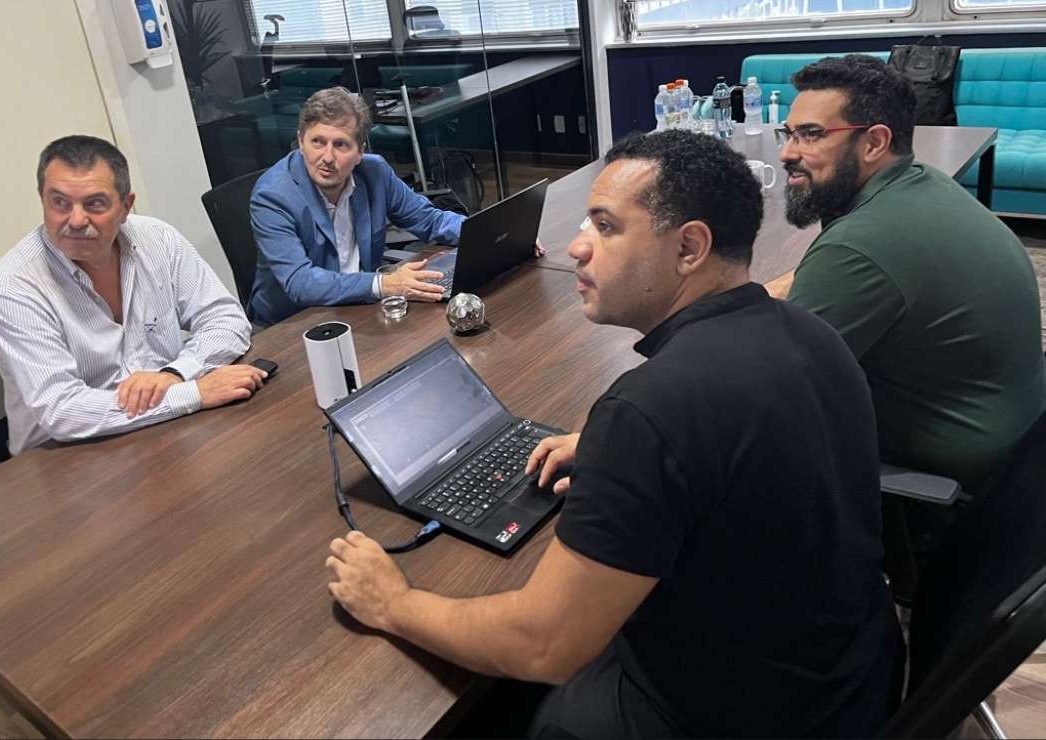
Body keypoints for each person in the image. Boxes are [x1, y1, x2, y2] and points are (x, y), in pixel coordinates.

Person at [326, 130, 903, 738]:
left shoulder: (651, 410)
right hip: (853, 676)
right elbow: (738, 453)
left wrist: (394, 603)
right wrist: (622, 454)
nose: (577, 246)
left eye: (605, 227)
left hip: (745, 716)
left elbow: (543, 646)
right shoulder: (812, 334)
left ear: (689, 248)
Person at [773, 54, 1045, 496]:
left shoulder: (860, 245)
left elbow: (772, 386)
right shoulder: (925, 183)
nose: (787, 152)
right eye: (788, 133)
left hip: (954, 477)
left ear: (875, 142)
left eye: (811, 134)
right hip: (1012, 433)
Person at [0, 135, 266, 456]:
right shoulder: (14, 285)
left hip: (166, 430)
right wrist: (193, 394)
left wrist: (176, 373)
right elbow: (62, 410)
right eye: (59, 202)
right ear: (42, 199)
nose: (76, 220)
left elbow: (226, 319)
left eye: (95, 203)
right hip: (66, 457)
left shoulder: (157, 238)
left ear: (125, 207)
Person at [248, 87, 464, 326]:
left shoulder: (374, 172)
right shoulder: (273, 195)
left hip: (362, 308)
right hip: (295, 324)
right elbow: (300, 282)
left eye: (341, 144)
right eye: (318, 142)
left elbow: (430, 220)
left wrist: (481, 231)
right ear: (300, 141)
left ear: (360, 151)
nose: (327, 157)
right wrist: (384, 284)